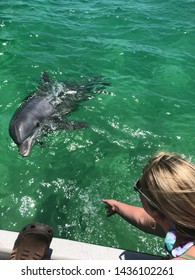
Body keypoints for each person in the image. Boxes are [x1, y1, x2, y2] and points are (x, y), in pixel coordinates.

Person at [102, 151, 195, 260]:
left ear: (156, 211)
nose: (137, 187)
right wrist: (117, 206)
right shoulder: (181, 222)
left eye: (138, 186)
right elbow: (142, 218)